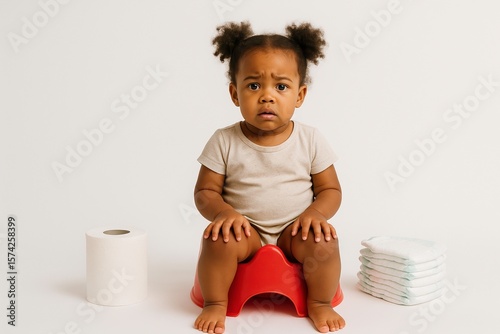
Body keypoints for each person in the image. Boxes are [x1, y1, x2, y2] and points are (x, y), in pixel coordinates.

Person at [193, 21, 344, 333]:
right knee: (216, 241)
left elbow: (331, 189)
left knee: (325, 243)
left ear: (300, 95)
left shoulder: (310, 139)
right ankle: (216, 303)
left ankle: (319, 302)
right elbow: (205, 192)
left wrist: (315, 215)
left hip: (295, 231)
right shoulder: (224, 140)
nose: (267, 96)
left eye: (281, 86)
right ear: (234, 94)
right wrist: (225, 213)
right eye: (253, 86)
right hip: (244, 232)